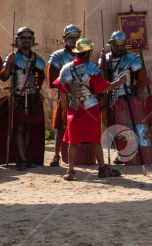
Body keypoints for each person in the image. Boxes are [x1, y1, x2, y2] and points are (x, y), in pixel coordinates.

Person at [52, 38, 126, 181]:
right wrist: (118, 83)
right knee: (94, 140)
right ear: (88, 53)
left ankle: (70, 171)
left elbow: (62, 92)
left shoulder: (65, 69)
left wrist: (64, 111)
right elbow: (102, 88)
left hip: (74, 108)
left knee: (73, 142)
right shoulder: (92, 69)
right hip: (91, 107)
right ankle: (103, 168)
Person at [0, 27, 46, 171]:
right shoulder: (13, 57)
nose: (26, 41)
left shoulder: (37, 59)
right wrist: (8, 65)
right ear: (18, 41)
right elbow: (3, 77)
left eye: (28, 39)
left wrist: (38, 90)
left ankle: (23, 156)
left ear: (32, 41)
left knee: (27, 127)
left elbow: (41, 76)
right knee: (18, 127)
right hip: (18, 95)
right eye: (23, 38)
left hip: (31, 96)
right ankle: (21, 158)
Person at [47, 24, 82, 167]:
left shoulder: (84, 54)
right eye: (71, 38)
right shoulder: (58, 56)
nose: (74, 40)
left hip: (82, 96)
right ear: (65, 39)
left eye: (76, 37)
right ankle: (56, 155)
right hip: (64, 96)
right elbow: (52, 80)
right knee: (61, 127)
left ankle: (81, 157)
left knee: (81, 126)